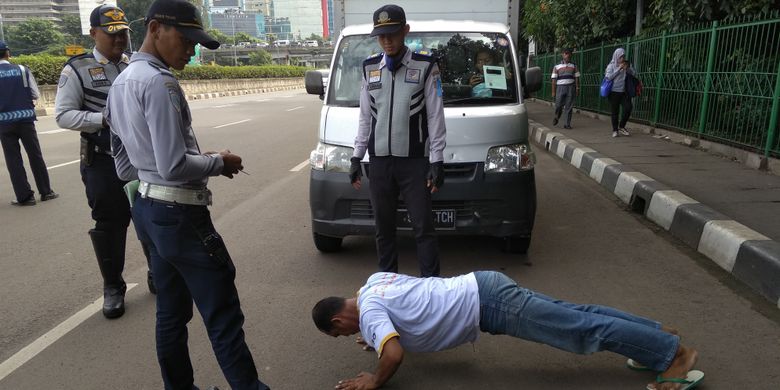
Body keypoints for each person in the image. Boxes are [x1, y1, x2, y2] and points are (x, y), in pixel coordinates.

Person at [105, 1, 269, 388]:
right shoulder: (160, 84)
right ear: (156, 28)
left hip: (149, 209)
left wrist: (152, 186)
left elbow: (122, 163)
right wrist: (218, 162)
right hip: (180, 215)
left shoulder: (121, 82)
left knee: (171, 312)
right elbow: (174, 167)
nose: (192, 51)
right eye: (186, 40)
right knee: (223, 316)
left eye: (196, 44)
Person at [313, 271, 704, 390]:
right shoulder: (371, 285)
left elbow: (395, 354)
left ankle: (673, 354)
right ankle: (653, 333)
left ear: (338, 321)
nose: (348, 336)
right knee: (576, 313)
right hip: (484, 285)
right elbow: (414, 303)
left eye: (341, 334)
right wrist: (377, 336)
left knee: (580, 329)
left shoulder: (372, 313)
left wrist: (374, 380)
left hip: (490, 306)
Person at [54, 4, 155, 319]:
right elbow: (63, 114)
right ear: (93, 33)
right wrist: (103, 118)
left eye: (123, 33)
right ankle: (113, 286)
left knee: (150, 217)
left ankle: (157, 272)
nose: (119, 40)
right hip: (102, 159)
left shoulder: (134, 65)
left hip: (142, 159)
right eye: (112, 34)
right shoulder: (77, 69)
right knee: (110, 223)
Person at [349, 4, 446, 277]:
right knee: (383, 229)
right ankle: (387, 284)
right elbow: (365, 117)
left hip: (414, 163)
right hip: (380, 163)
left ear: (405, 31)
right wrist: (357, 157)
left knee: (423, 228)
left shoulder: (426, 66)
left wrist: (437, 160)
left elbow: (436, 116)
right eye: (381, 36)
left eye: (392, 33)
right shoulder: (369, 68)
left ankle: (432, 287)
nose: (387, 41)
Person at [0, 41, 59, 206]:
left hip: (4, 123)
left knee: (13, 160)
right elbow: (34, 93)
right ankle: (46, 192)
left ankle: (25, 197)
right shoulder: (22, 70)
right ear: (8, 53)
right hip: (26, 119)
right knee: (35, 155)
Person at [605, 48, 635, 138]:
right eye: (621, 57)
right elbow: (608, 77)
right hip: (613, 92)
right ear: (616, 56)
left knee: (628, 108)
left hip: (624, 92)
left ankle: (622, 126)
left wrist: (628, 69)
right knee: (615, 112)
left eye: (623, 56)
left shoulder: (626, 64)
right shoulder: (611, 66)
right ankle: (615, 130)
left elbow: (634, 73)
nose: (622, 58)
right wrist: (619, 69)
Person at [551, 48, 580, 129]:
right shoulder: (557, 67)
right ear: (562, 55)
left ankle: (567, 124)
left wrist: (577, 88)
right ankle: (557, 116)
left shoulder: (574, 66)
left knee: (569, 106)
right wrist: (553, 91)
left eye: (569, 53)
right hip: (560, 88)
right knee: (558, 105)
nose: (568, 55)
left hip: (571, 88)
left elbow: (577, 77)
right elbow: (553, 80)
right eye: (566, 53)